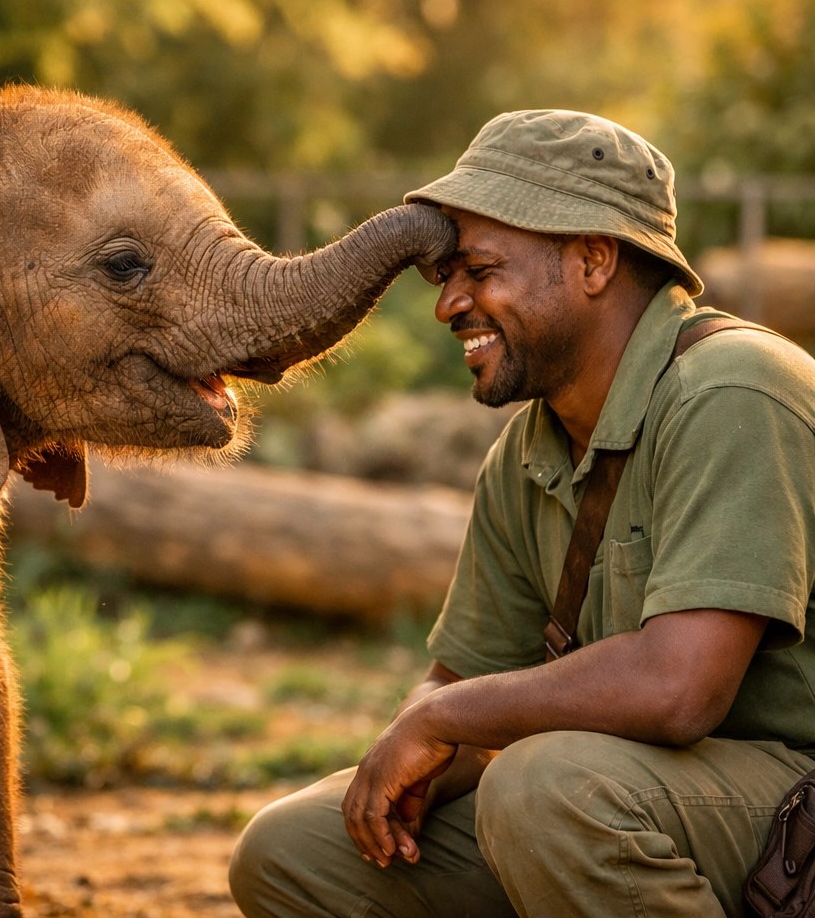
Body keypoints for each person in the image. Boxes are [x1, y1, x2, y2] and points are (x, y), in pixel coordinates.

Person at [228, 109, 815, 918]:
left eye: (482, 270)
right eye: (447, 279)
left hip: (795, 813)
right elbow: (465, 675)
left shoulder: (735, 388)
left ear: (594, 259)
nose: (449, 306)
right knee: (293, 852)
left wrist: (446, 719)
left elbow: (682, 688)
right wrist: (418, 752)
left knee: (541, 786)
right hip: (641, 803)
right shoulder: (528, 449)